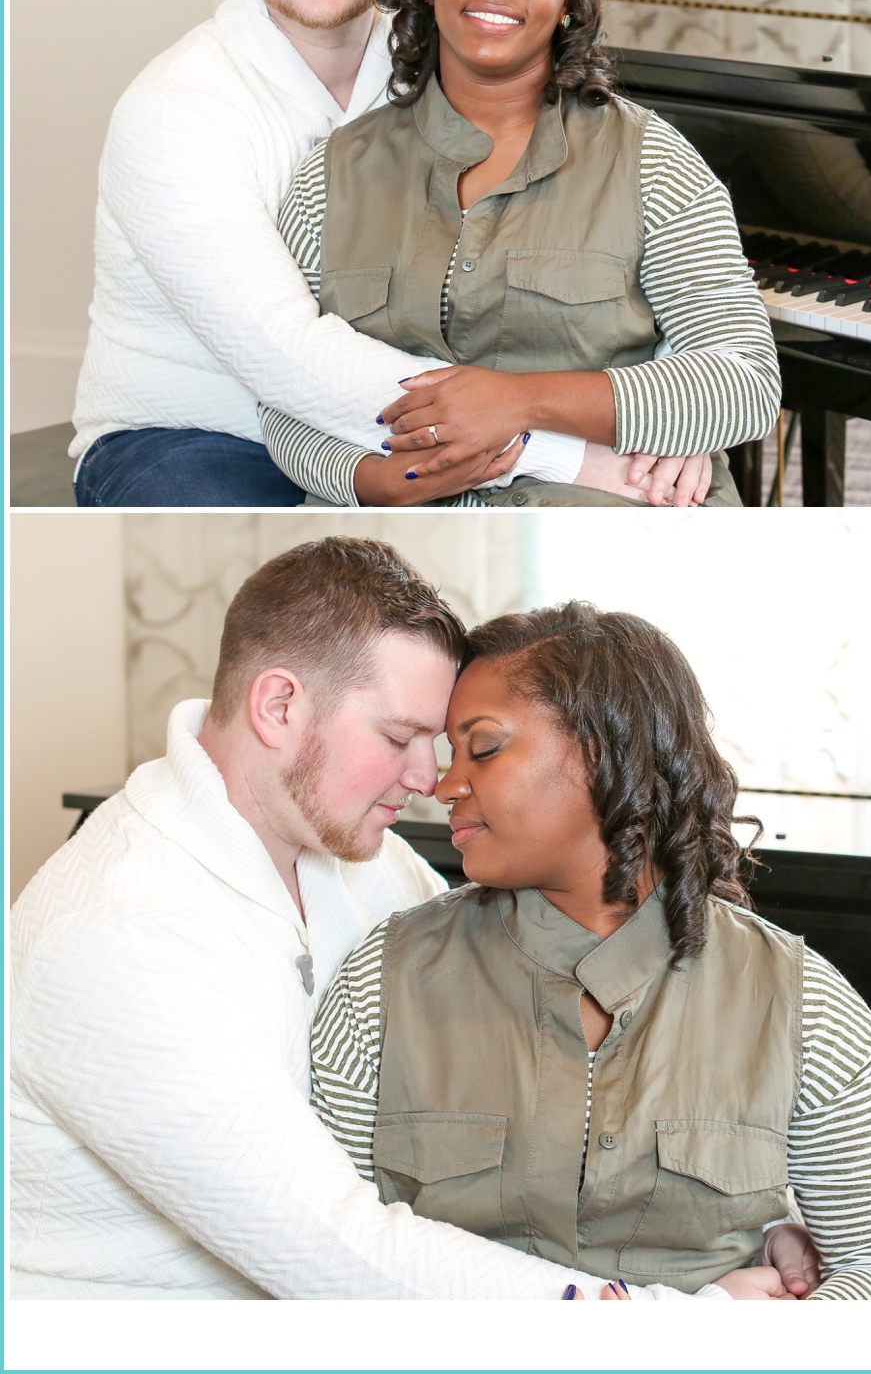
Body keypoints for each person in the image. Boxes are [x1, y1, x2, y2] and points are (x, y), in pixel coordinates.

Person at [9, 538, 806, 1300]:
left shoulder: (363, 855)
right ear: (279, 705)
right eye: (401, 737)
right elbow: (336, 1251)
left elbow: (512, 1012)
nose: (431, 778)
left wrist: (738, 1214)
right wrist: (688, 1320)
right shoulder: (116, 931)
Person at [311, 603, 871, 1298]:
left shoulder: (805, 1006)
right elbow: (323, 1256)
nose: (444, 784)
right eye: (447, 754)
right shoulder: (382, 982)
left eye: (482, 748)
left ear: (602, 752)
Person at [69, 0, 674, 509]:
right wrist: (563, 449)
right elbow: (282, 354)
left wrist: (659, 422)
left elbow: (617, 257)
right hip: (198, 434)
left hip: (414, 422)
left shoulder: (444, 67)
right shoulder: (175, 109)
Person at [258, 0, 781, 509]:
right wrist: (377, 483)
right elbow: (286, 397)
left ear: (567, 2)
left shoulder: (653, 161)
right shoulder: (327, 180)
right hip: (394, 523)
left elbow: (745, 383)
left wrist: (520, 402)